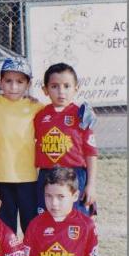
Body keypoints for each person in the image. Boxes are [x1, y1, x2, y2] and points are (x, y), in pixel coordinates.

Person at [0, 57, 44, 236]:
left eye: (20, 82)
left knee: (31, 224)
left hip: (28, 177)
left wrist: (80, 112)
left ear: (28, 84)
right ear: (0, 82)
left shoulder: (36, 107)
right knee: (5, 226)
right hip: (1, 176)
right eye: (8, 81)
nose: (14, 86)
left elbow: (57, 117)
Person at [34, 63, 98, 216]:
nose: (61, 91)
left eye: (67, 86)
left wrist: (91, 184)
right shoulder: (39, 115)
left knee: (76, 218)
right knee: (47, 217)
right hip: (47, 174)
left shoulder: (82, 115)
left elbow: (91, 153)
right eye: (55, 86)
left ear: (76, 88)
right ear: (45, 90)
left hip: (74, 174)